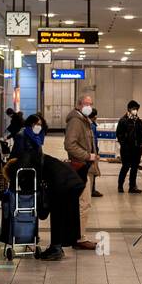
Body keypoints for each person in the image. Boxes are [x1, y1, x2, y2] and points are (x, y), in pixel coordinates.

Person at [63, 93, 99, 251]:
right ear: (79, 104)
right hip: (80, 167)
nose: (89, 107)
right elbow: (69, 144)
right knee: (84, 204)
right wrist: (87, 155)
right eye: (86, 103)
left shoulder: (83, 120)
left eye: (90, 104)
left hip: (84, 166)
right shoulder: (76, 121)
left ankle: (77, 236)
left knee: (83, 204)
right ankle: (79, 238)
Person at [115, 100, 142, 194]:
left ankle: (132, 187)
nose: (135, 110)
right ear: (129, 109)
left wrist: (140, 145)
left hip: (136, 149)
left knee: (134, 168)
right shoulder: (123, 121)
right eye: (134, 109)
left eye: (136, 109)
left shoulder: (138, 121)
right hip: (126, 150)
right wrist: (124, 145)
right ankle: (120, 185)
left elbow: (141, 134)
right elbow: (119, 135)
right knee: (125, 167)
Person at [88, 107, 104, 197]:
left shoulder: (88, 124)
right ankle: (92, 190)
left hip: (90, 150)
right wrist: (96, 152)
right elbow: (93, 140)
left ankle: (91, 189)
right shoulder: (92, 126)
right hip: (92, 151)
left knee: (91, 170)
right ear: (93, 116)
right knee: (93, 170)